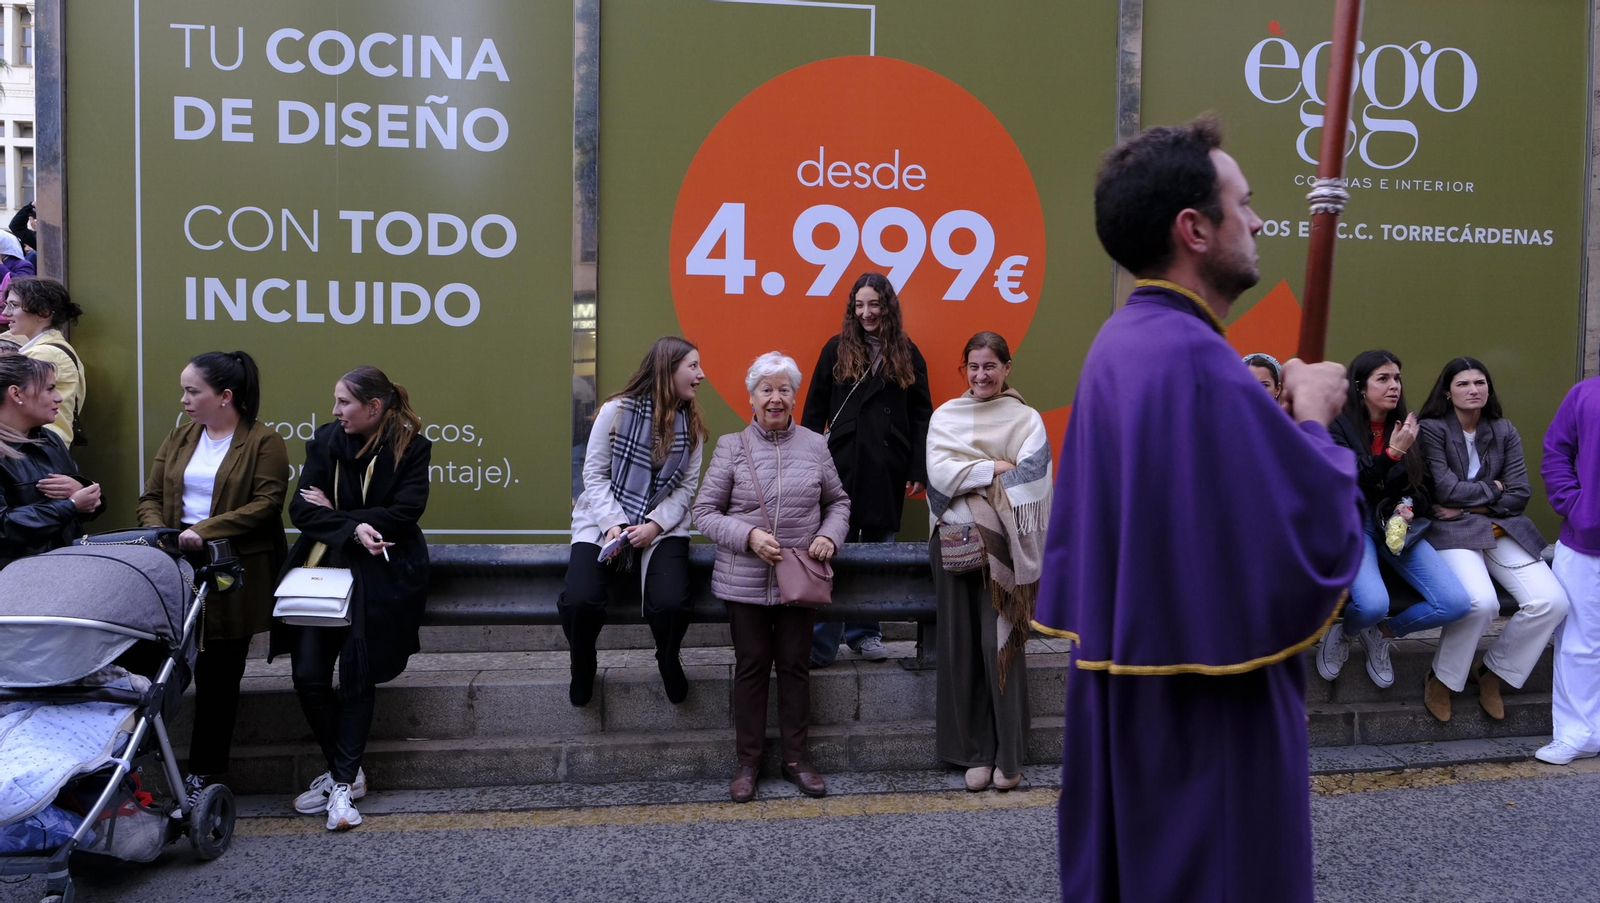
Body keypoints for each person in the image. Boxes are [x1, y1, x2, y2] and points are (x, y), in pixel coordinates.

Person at [1031, 118, 1363, 903]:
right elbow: (1308, 539)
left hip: (1140, 706)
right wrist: (1315, 418)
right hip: (1210, 721)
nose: (1255, 221)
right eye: (1242, 204)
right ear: (1195, 228)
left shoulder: (1123, 343)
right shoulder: (1193, 359)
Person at [270, 366, 431, 831]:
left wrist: (338, 513)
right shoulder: (324, 441)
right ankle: (349, 773)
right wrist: (351, 526)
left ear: (373, 408)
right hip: (322, 567)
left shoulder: (411, 449)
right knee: (308, 675)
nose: (335, 410)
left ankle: (341, 783)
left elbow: (404, 513)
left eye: (344, 402)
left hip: (381, 572)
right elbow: (300, 508)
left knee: (357, 674)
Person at [693, 352, 850, 803]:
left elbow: (839, 502)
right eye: (767, 389)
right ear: (752, 398)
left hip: (799, 577)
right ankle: (748, 762)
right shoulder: (731, 446)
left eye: (784, 389)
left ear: (795, 398)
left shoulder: (816, 446)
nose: (776, 398)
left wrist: (829, 536)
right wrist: (748, 537)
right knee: (752, 667)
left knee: (796, 668)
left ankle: (797, 759)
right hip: (743, 579)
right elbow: (704, 513)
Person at [137, 351, 289, 794]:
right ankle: (133, 766)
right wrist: (162, 534)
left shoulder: (264, 441)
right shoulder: (180, 438)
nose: (184, 399)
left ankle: (205, 773)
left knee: (219, 676)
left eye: (192, 391)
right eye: (184, 390)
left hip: (230, 571)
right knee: (158, 667)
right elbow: (149, 496)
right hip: (173, 564)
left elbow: (265, 506)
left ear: (225, 397)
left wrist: (202, 531)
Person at [926, 332, 1052, 792]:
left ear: (1006, 368)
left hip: (1006, 551)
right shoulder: (945, 416)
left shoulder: (1027, 419)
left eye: (990, 366)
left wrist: (975, 474)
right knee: (960, 649)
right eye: (973, 367)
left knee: (999, 648)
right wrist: (994, 468)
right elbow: (940, 474)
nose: (981, 375)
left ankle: (1009, 757)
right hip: (955, 545)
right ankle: (974, 753)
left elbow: (1032, 479)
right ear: (965, 369)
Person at [1417, 357, 1568, 722]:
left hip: (1498, 526)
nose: (1474, 390)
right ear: (1448, 392)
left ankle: (1492, 672)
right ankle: (1442, 678)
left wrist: (1472, 506)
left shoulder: (1503, 430)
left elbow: (1520, 493)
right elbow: (1444, 489)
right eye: (1464, 384)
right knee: (1481, 603)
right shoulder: (1432, 429)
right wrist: (1492, 489)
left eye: (1480, 383)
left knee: (1552, 601)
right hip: (1450, 531)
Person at [564, 337, 707, 706]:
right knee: (580, 601)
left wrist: (654, 526)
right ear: (667, 369)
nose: (701, 375)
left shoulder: (691, 426)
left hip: (661, 524)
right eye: (692, 366)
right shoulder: (616, 411)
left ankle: (667, 656)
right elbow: (593, 475)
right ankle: (582, 664)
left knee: (672, 604)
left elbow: (685, 490)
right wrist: (614, 524)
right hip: (603, 521)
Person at [802, 272, 933, 666]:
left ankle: (866, 634)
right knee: (830, 552)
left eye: (874, 304)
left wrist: (918, 467)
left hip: (886, 466)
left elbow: (922, 414)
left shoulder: (908, 352)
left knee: (877, 552)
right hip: (839, 465)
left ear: (887, 306)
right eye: (859, 305)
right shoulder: (835, 349)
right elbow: (814, 408)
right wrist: (805, 464)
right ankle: (820, 643)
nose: (866, 312)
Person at [1318, 350, 1471, 689]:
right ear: (1360, 386)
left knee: (1455, 603)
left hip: (1396, 526)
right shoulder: (1336, 424)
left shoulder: (1407, 426)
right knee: (1372, 604)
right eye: (1383, 379)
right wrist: (1391, 455)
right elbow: (1344, 478)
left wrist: (1408, 506)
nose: (1394, 386)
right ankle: (1347, 630)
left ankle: (1378, 634)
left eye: (1397, 378)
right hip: (1353, 525)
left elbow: (1424, 485)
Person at [1540, 376, 1600, 764]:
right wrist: (1576, 506)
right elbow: (1555, 452)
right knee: (1579, 642)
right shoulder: (1584, 393)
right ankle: (1577, 734)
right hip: (1586, 540)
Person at [0, 355, 100, 567]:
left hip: (64, 567)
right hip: (16, 579)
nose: (59, 398)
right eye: (49, 389)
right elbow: (3, 528)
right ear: (16, 393)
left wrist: (85, 492)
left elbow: (78, 511)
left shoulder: (49, 439)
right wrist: (70, 505)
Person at [0, 277, 85, 446]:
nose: (5, 313)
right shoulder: (50, 347)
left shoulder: (44, 353)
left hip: (34, 450)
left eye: (14, 305)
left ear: (44, 313)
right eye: (6, 305)